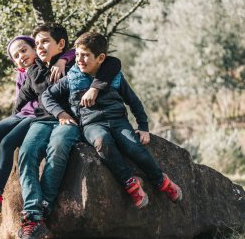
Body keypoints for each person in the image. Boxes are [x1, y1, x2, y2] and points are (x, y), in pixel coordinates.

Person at [42, 31, 182, 211]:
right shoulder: (71, 78)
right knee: (102, 142)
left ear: (100, 58)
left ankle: (161, 180)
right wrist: (60, 114)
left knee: (133, 146)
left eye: (85, 55)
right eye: (77, 55)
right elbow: (47, 96)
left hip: (118, 121)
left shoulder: (114, 76)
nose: (79, 59)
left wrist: (143, 127)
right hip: (91, 125)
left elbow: (134, 101)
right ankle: (130, 183)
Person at [15, 24, 121, 239]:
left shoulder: (76, 61)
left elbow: (112, 63)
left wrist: (67, 61)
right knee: (27, 152)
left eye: (45, 41)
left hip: (72, 122)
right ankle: (33, 214)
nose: (40, 46)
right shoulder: (34, 70)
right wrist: (16, 117)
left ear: (61, 44)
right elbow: (21, 100)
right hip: (44, 121)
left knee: (58, 147)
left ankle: (43, 206)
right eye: (37, 44)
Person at [0, 35, 74, 212]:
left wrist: (62, 60)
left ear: (35, 49)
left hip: (37, 116)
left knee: (8, 143)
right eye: (16, 56)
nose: (21, 56)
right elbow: (19, 102)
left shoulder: (46, 65)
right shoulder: (21, 74)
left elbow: (74, 51)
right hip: (21, 115)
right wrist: (13, 118)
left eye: (24, 50)